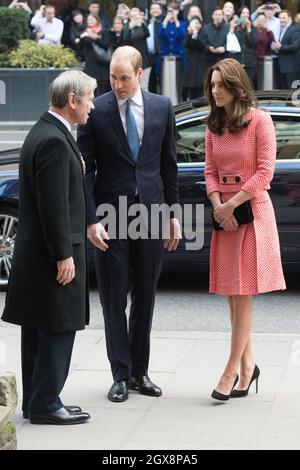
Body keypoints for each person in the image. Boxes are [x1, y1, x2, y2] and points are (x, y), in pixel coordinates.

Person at [77, 46, 181, 403]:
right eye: (112, 78)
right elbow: (86, 171)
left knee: (146, 298)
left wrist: (173, 215)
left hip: (151, 215)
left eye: (124, 78)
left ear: (139, 75)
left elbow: (169, 166)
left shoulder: (162, 107)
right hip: (110, 217)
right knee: (112, 298)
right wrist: (90, 220)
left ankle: (140, 372)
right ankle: (119, 374)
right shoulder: (97, 110)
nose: (117, 85)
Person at [1, 70, 97, 424]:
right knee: (58, 326)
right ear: (71, 100)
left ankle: (40, 400)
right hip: (52, 255)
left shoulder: (47, 131)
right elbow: (53, 204)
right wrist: (64, 255)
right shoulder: (54, 139)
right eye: (88, 98)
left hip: (40, 253)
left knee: (39, 328)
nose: (91, 106)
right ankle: (44, 404)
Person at [204, 58, 286, 401]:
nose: (215, 91)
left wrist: (231, 204)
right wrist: (217, 207)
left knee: (242, 293)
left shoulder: (260, 120)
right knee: (232, 296)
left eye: (221, 85)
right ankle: (249, 366)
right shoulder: (214, 124)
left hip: (250, 211)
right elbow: (209, 170)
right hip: (225, 215)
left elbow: (265, 173)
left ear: (236, 86)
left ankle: (230, 372)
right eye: (211, 85)